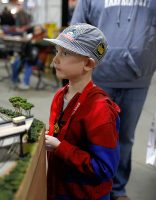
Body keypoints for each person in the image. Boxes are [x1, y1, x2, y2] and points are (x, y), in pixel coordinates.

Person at [70, 1, 156, 199]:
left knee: (125, 138)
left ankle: (117, 188)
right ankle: (91, 185)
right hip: (99, 78)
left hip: (138, 80)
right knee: (91, 135)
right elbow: (76, 29)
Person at [45, 23, 121, 200]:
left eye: (65, 53)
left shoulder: (100, 110)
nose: (55, 59)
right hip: (58, 189)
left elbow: (105, 169)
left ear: (88, 63)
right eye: (57, 51)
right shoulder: (59, 96)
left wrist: (59, 147)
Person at [11, 25, 46, 90]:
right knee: (15, 62)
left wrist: (36, 42)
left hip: (38, 59)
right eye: (35, 30)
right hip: (28, 56)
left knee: (28, 63)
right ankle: (14, 80)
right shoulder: (31, 36)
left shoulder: (44, 37)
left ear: (42, 30)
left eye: (38, 30)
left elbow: (45, 43)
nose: (36, 31)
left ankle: (25, 83)